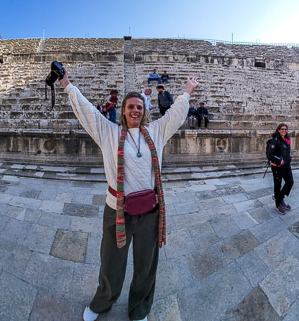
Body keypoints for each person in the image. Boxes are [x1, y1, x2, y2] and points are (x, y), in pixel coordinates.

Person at [60, 66, 198, 321]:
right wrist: (68, 85)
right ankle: (102, 303)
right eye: (130, 107)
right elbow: (88, 112)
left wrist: (187, 92)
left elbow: (176, 115)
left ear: (144, 111)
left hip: (149, 213)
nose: (135, 110)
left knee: (146, 265)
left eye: (139, 107)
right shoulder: (109, 132)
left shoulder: (156, 131)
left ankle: (139, 309)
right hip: (117, 209)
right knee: (111, 262)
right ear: (122, 111)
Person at [266, 123, 293, 214]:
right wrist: (279, 160)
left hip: (286, 165)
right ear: (278, 130)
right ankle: (278, 205)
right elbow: (270, 154)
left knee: (290, 182)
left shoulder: (287, 140)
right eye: (282, 129)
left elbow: (286, 152)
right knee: (277, 185)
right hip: (277, 167)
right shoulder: (274, 140)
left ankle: (279, 198)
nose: (284, 131)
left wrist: (289, 158)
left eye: (285, 129)